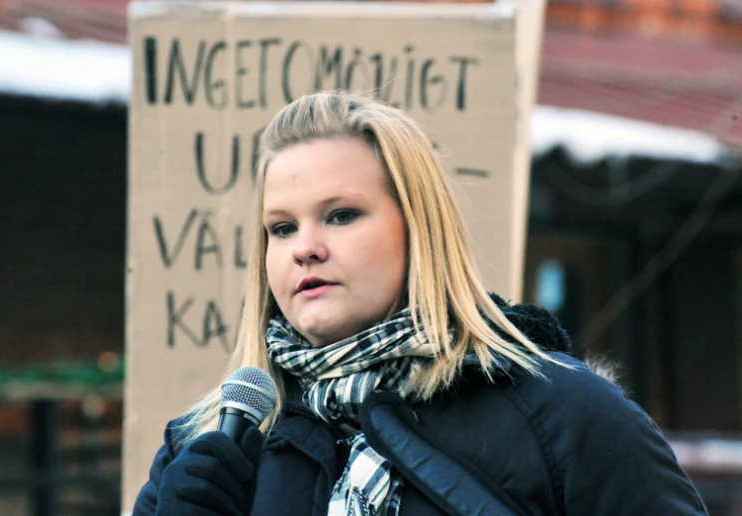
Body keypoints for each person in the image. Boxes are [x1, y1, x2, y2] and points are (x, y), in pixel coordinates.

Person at [132, 91, 708, 516]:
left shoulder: (565, 415)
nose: (305, 249)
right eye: (281, 228)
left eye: (341, 215)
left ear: (419, 229)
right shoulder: (206, 447)